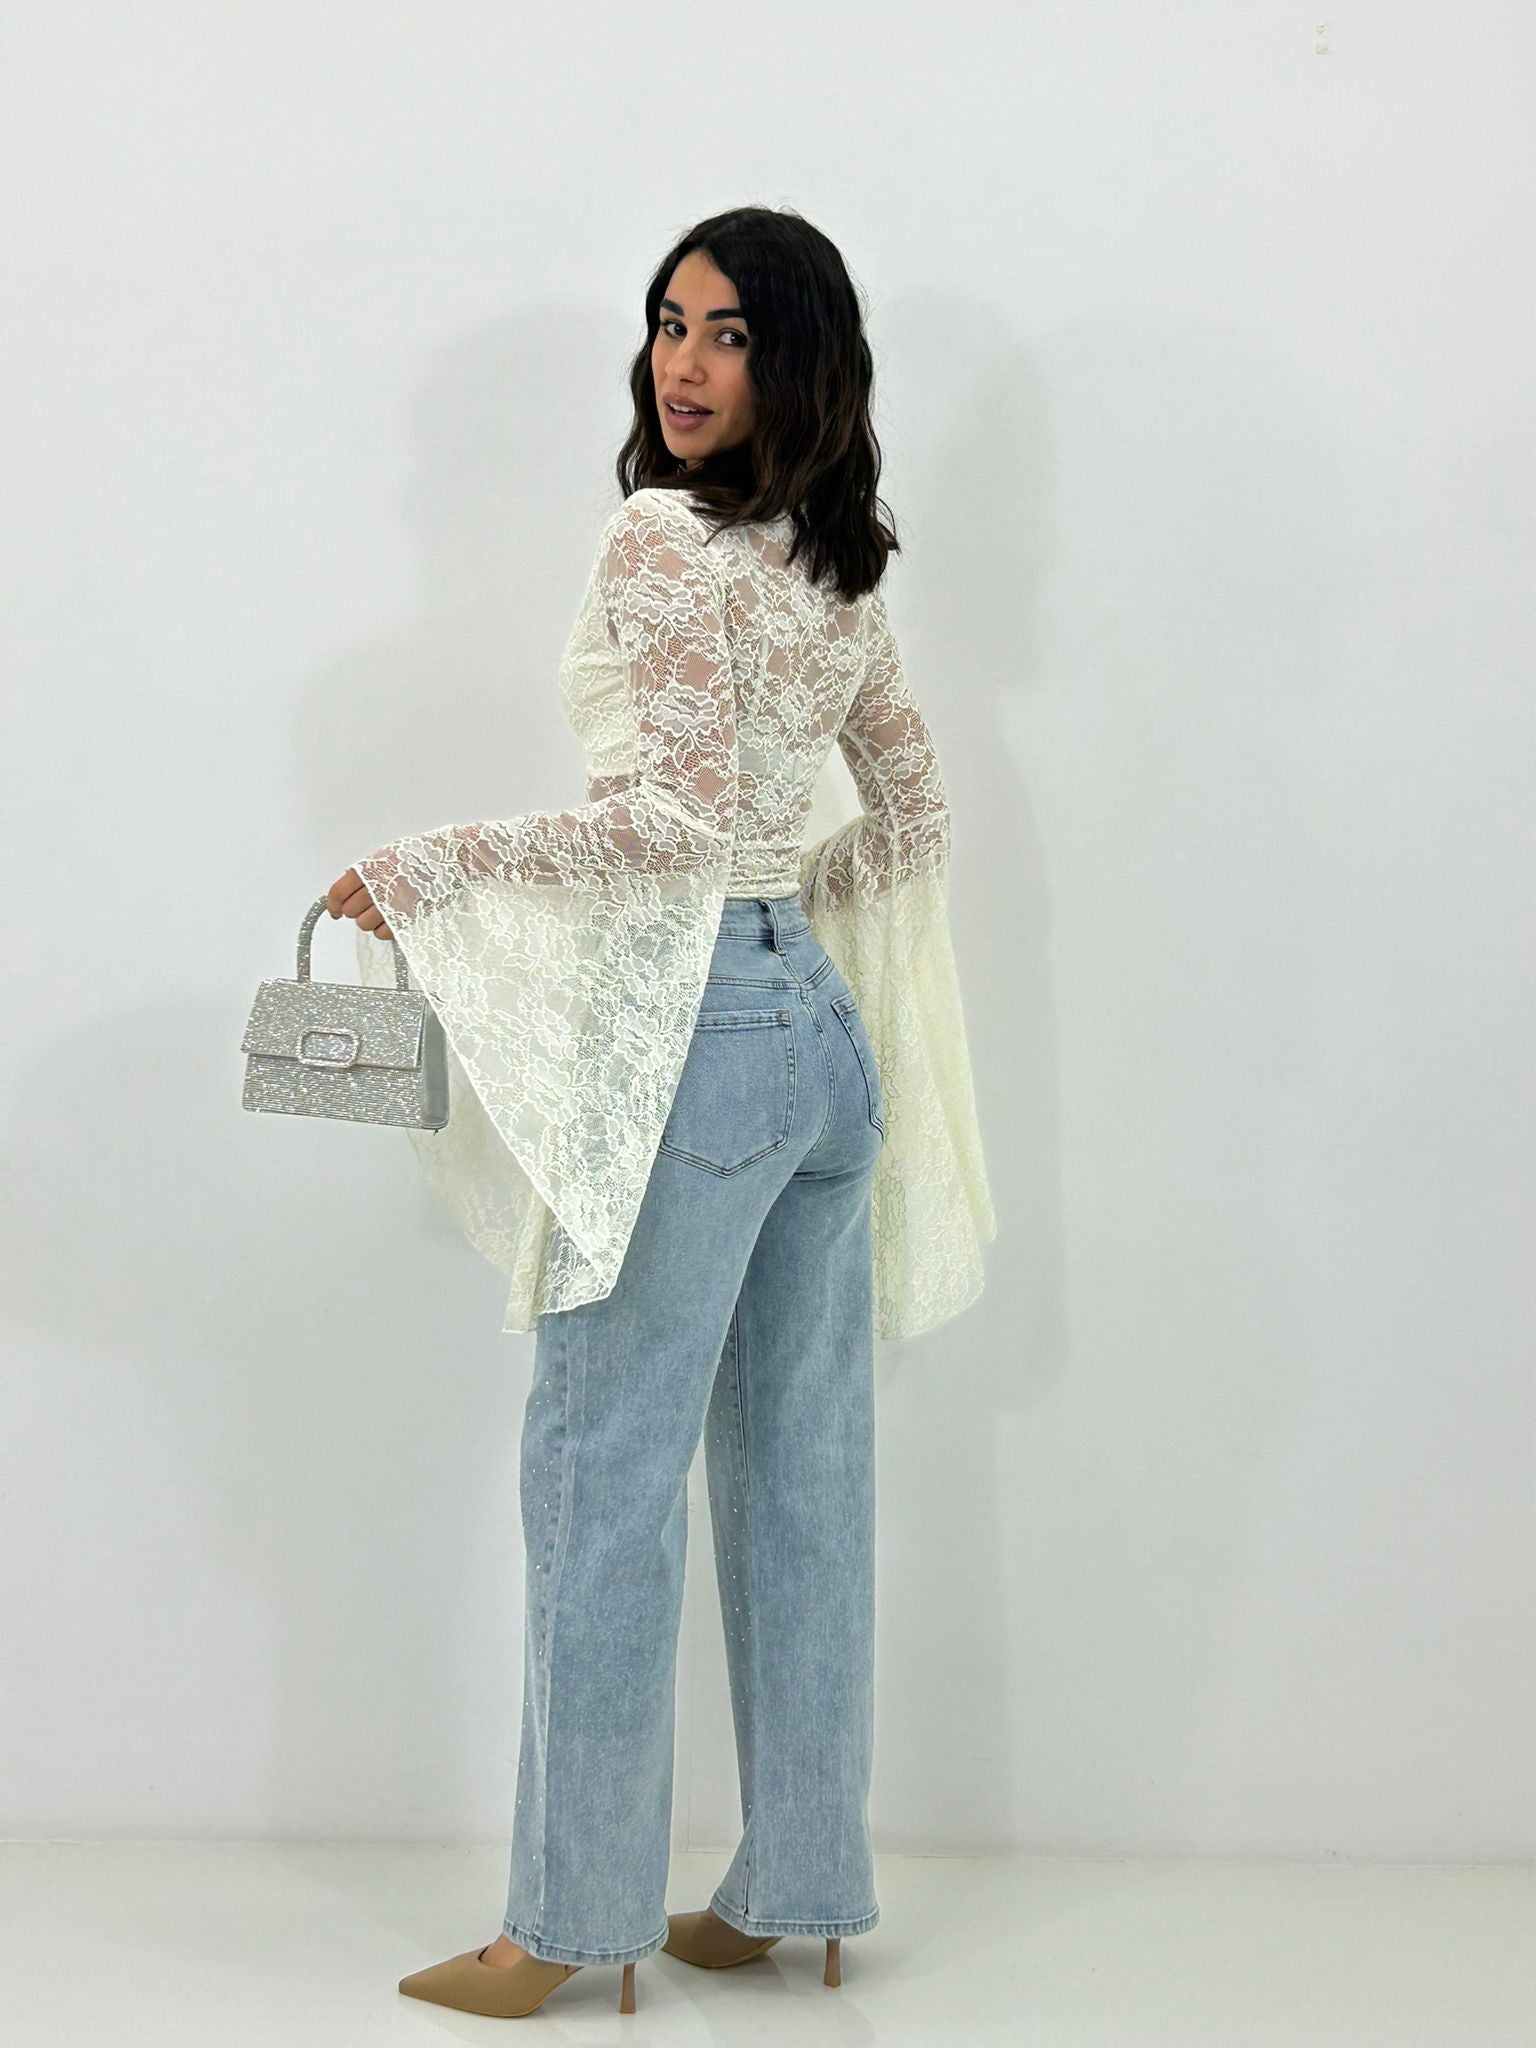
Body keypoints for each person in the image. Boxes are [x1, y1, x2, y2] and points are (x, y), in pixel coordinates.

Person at [325, 205, 996, 2019]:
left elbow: (672, 826)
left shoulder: (660, 539)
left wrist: (435, 863)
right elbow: (914, 816)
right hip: (819, 1046)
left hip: (701, 1044)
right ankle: (800, 1891)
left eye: (729, 336)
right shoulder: (835, 562)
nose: (682, 367)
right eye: (670, 324)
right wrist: (796, 922)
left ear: (799, 361)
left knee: (601, 1463)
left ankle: (563, 1925)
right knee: (806, 1471)